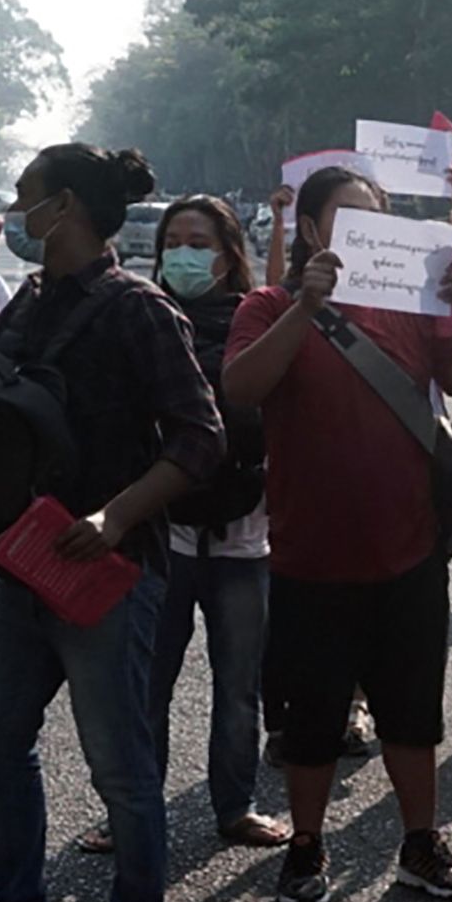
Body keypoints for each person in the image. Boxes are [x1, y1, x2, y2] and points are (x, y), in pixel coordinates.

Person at [0, 142, 224, 902]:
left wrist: (115, 517)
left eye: (27, 196)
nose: (14, 211)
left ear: (68, 208)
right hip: (23, 560)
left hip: (108, 571)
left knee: (119, 766)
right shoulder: (31, 299)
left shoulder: (139, 309)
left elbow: (201, 438)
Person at [226, 164, 452, 902]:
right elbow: (241, 389)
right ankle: (306, 846)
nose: (364, 229)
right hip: (311, 554)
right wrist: (306, 307)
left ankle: (421, 841)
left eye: (375, 216)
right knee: (313, 720)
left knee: (412, 713)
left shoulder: (414, 305)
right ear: (312, 229)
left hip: (409, 549)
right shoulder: (269, 305)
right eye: (347, 217)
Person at [145, 192, 286, 848]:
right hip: (160, 535)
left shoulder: (256, 325)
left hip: (242, 537)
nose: (183, 254)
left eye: (198, 244)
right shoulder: (144, 318)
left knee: (238, 687)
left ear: (229, 256)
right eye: (173, 242)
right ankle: (133, 811)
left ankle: (236, 806)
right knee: (147, 684)